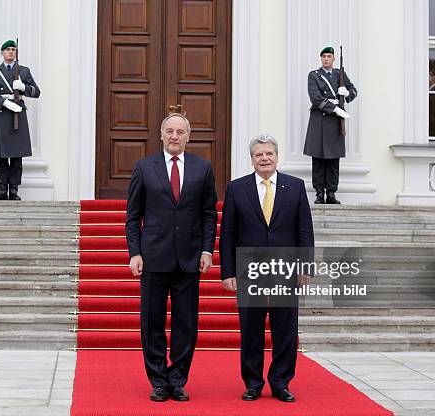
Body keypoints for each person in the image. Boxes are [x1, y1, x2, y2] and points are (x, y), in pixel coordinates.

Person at [125, 113, 218, 402]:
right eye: (170, 131)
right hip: (153, 257)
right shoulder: (144, 167)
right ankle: (158, 380)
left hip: (189, 258)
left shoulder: (203, 168)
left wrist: (206, 250)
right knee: (151, 322)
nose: (175, 136)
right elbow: (133, 216)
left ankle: (177, 380)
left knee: (185, 323)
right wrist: (135, 252)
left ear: (188, 137)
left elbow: (208, 214)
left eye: (180, 131)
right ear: (161, 135)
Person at [220, 134, 314, 403]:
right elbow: (228, 233)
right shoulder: (237, 188)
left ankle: (281, 383)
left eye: (268, 154)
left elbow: (304, 230)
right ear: (252, 160)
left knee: (285, 328)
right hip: (250, 267)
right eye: (259, 155)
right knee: (251, 329)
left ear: (276, 157)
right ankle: (252, 383)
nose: (264, 158)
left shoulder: (295, 187)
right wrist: (228, 271)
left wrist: (304, 266)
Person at [0, 39, 40, 201]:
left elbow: (36, 92)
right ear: (2, 53)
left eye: (13, 49)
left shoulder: (23, 71)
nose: (11, 52)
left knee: (16, 156)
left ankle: (14, 190)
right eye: (7, 49)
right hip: (1, 113)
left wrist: (23, 88)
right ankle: (2, 189)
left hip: (17, 115)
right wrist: (5, 102)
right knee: (0, 157)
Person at [303, 46, 357, 204]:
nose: (326, 59)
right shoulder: (314, 75)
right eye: (324, 56)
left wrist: (346, 93)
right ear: (321, 59)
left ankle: (331, 193)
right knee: (318, 159)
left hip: (335, 123)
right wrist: (335, 109)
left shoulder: (340, 74)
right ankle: (319, 193)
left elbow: (353, 91)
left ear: (333, 59)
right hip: (320, 120)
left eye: (329, 56)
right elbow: (316, 98)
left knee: (333, 160)